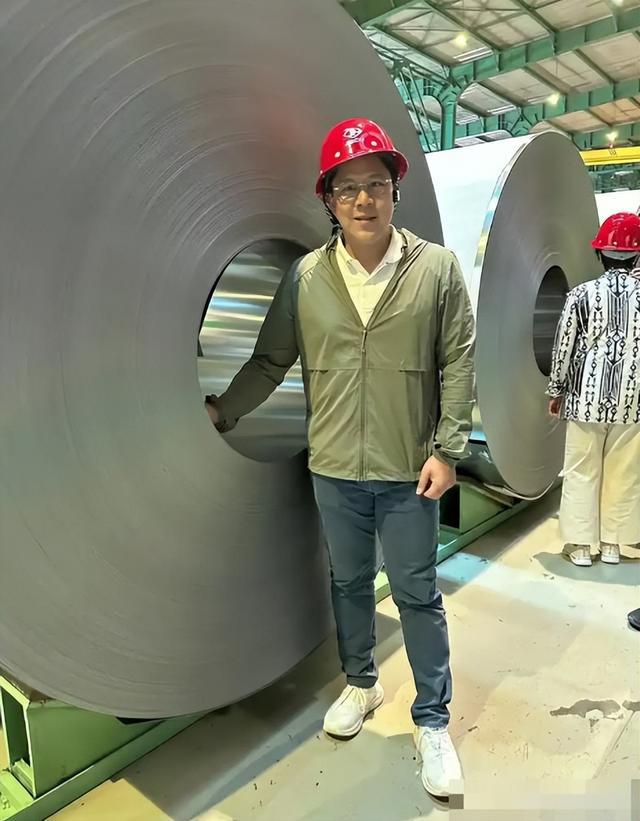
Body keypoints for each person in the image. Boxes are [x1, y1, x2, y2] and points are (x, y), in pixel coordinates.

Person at [205, 118, 476, 798]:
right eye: (348, 188)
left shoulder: (435, 269)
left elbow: (458, 362)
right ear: (328, 199)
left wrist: (449, 450)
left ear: (395, 190)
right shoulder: (306, 277)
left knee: (416, 593)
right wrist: (222, 410)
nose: (363, 200)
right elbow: (270, 359)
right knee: (349, 583)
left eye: (376, 185)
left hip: (410, 470)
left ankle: (433, 720)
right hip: (333, 468)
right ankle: (361, 682)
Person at [547, 212, 640, 569]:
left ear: (599, 253)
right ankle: (613, 544)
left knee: (581, 470)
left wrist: (556, 389)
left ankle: (581, 546)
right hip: (632, 402)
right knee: (623, 472)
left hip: (585, 400)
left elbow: (563, 346)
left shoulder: (581, 295)